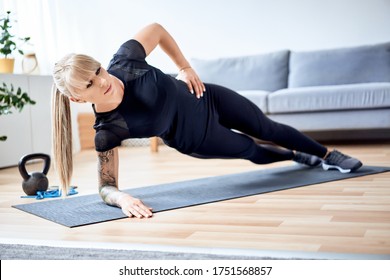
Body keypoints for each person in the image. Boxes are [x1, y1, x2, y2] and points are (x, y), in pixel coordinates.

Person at [52, 23, 362, 219]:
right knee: (251, 150)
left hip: (206, 96)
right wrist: (120, 198)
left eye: (97, 72)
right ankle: (297, 155)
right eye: (90, 84)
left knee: (268, 128)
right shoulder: (109, 129)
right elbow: (106, 186)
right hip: (197, 137)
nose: (102, 81)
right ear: (77, 98)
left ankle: (326, 154)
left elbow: (156, 29)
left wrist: (185, 67)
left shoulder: (125, 62)